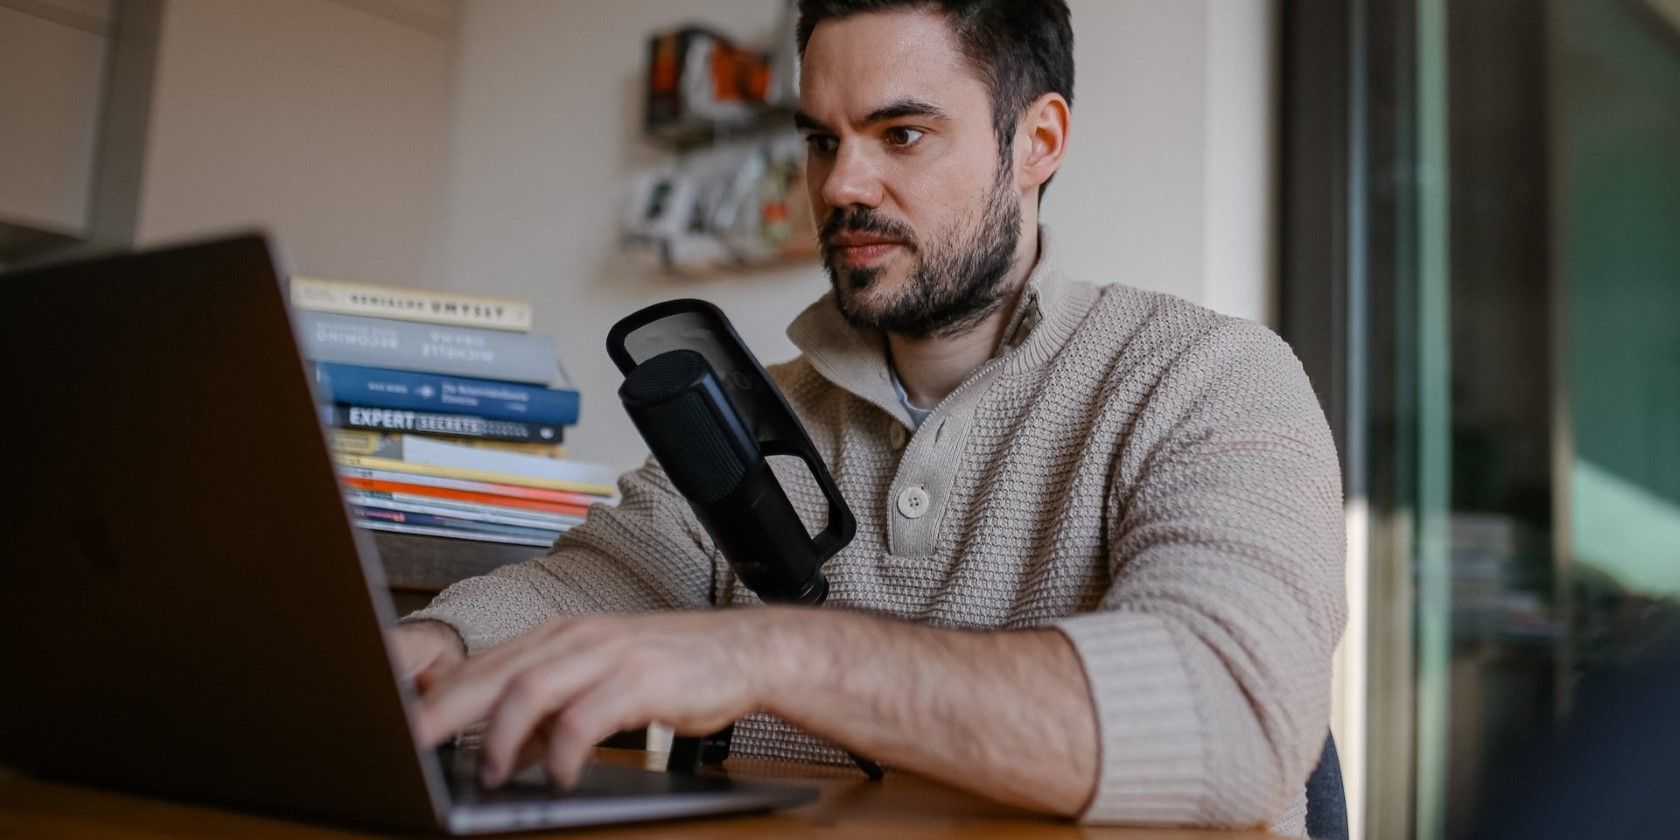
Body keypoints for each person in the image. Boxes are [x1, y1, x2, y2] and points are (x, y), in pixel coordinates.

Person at [394, 1, 1346, 835]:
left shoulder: (1211, 377)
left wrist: (770, 652)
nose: (842, 185)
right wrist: (439, 648)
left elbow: (1231, 719)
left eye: (900, 135)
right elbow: (604, 582)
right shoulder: (752, 409)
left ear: (1039, 141)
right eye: (820, 140)